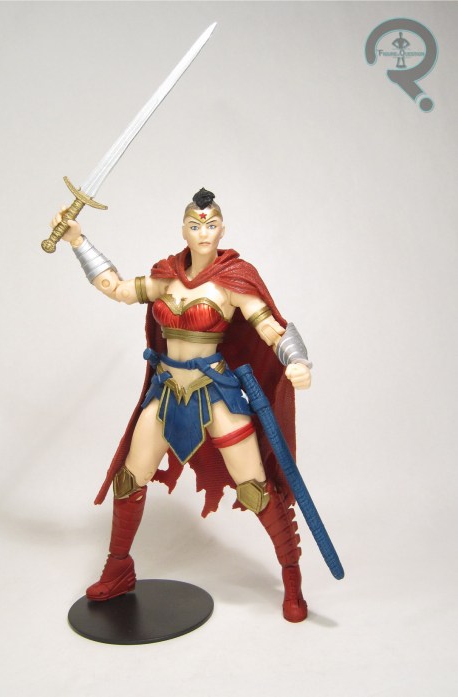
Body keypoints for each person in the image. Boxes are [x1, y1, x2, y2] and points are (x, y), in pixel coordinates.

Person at [51, 188, 313, 622]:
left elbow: (272, 328)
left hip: (216, 393)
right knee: (129, 480)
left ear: (222, 229)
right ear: (184, 231)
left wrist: (297, 360)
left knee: (254, 489)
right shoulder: (167, 277)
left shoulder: (233, 280)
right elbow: (117, 288)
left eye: (211, 225)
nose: (203, 233)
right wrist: (78, 241)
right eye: (195, 225)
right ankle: (119, 570)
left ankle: (291, 580)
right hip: (167, 392)